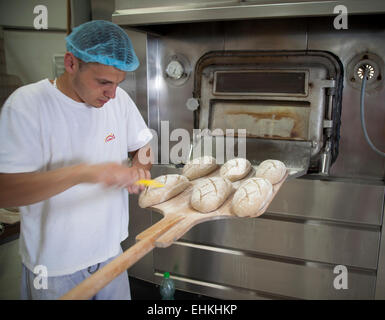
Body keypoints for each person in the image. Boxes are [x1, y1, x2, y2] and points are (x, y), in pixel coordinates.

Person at [0, 20, 154, 300]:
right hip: (55, 269)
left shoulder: (118, 101)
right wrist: (84, 173)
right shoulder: (27, 105)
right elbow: (5, 190)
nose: (112, 93)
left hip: (111, 256)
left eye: (119, 83)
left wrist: (139, 168)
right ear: (71, 63)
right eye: (103, 82)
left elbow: (143, 143)